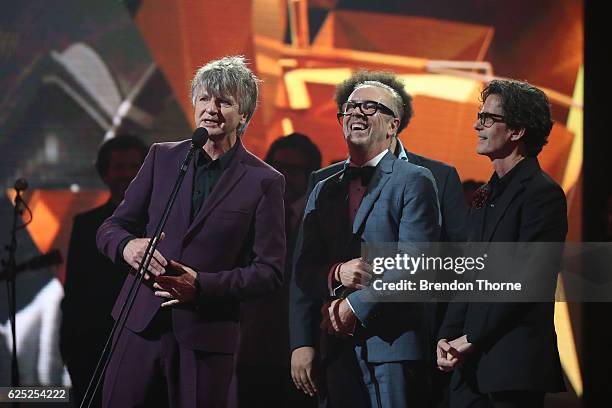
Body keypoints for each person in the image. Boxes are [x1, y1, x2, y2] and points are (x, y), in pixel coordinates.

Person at [95, 56, 286, 407]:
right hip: (139, 326)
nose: (211, 109)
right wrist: (128, 247)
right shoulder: (162, 158)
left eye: (224, 101)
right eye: (204, 99)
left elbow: (269, 273)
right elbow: (111, 227)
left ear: (244, 115)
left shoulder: (264, 182)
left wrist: (200, 285)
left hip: (206, 338)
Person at [289, 70, 467, 407]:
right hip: (334, 345)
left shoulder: (418, 179)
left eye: (369, 107)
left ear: (393, 125)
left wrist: (354, 306)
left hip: (393, 346)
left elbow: (419, 263)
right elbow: (304, 268)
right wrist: (334, 275)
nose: (355, 112)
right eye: (350, 107)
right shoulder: (325, 187)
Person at [436, 79, 567, 408]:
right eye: (480, 116)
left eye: (488, 119)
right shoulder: (482, 194)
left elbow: (528, 279)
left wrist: (470, 339)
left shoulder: (542, 194)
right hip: (467, 369)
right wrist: (447, 337)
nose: (477, 125)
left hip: (511, 367)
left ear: (517, 131)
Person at [60, 134, 148, 407]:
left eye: (135, 167)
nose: (128, 175)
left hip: (148, 349)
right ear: (105, 174)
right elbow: (74, 294)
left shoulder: (164, 223)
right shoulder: (87, 225)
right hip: (95, 348)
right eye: (119, 167)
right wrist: (71, 351)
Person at [237, 133, 321, 407]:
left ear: (311, 175)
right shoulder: (248, 213)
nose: (283, 176)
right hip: (250, 345)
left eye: (293, 170)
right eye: (277, 167)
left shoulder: (322, 218)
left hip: (303, 348)